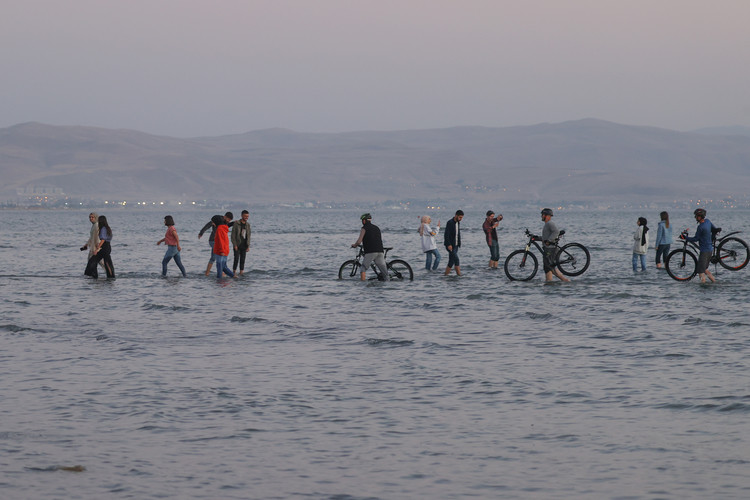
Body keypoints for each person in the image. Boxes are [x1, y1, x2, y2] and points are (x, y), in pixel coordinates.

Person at [351, 213, 388, 281]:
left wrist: (355, 245)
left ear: (364, 221)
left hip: (371, 251)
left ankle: (362, 284)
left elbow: (359, 241)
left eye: (362, 220)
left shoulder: (364, 228)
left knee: (363, 268)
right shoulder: (377, 228)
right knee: (385, 274)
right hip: (380, 251)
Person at [684, 208, 716, 283]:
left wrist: (685, 238)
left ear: (700, 216)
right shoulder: (708, 221)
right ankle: (714, 282)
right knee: (704, 269)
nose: (695, 217)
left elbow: (695, 239)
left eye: (696, 216)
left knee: (700, 271)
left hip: (704, 251)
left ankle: (702, 286)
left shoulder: (700, 227)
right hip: (710, 250)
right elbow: (714, 229)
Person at [199, 212, 234, 276]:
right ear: (225, 217)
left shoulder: (223, 226)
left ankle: (217, 273)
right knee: (215, 257)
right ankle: (218, 273)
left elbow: (226, 228)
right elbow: (207, 226)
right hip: (213, 240)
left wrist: (233, 223)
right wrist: (201, 233)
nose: (228, 221)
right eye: (228, 219)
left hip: (220, 244)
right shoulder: (217, 219)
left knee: (215, 258)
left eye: (230, 220)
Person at [540, 208, 569, 282]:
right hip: (548, 248)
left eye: (542, 215)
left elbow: (556, 232)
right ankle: (551, 282)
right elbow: (546, 238)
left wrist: (549, 241)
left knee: (548, 266)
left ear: (547, 216)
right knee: (549, 267)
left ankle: (552, 283)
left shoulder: (550, 223)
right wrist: (535, 238)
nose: (541, 216)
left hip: (551, 249)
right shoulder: (547, 224)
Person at [231, 210, 251, 276]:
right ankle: (234, 272)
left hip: (244, 245)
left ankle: (241, 272)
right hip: (237, 244)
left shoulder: (248, 225)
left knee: (243, 259)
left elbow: (249, 235)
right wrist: (235, 245)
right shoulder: (237, 224)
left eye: (247, 216)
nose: (246, 217)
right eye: (245, 216)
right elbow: (233, 235)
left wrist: (248, 246)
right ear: (242, 215)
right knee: (236, 259)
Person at [443, 210, 464, 275]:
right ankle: (459, 275)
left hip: (456, 245)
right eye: (460, 217)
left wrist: (459, 243)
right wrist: (448, 244)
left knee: (451, 261)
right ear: (456, 215)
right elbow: (446, 234)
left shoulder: (458, 223)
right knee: (456, 259)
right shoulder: (450, 222)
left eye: (462, 217)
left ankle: (445, 275)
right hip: (450, 245)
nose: (461, 219)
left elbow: (457, 234)